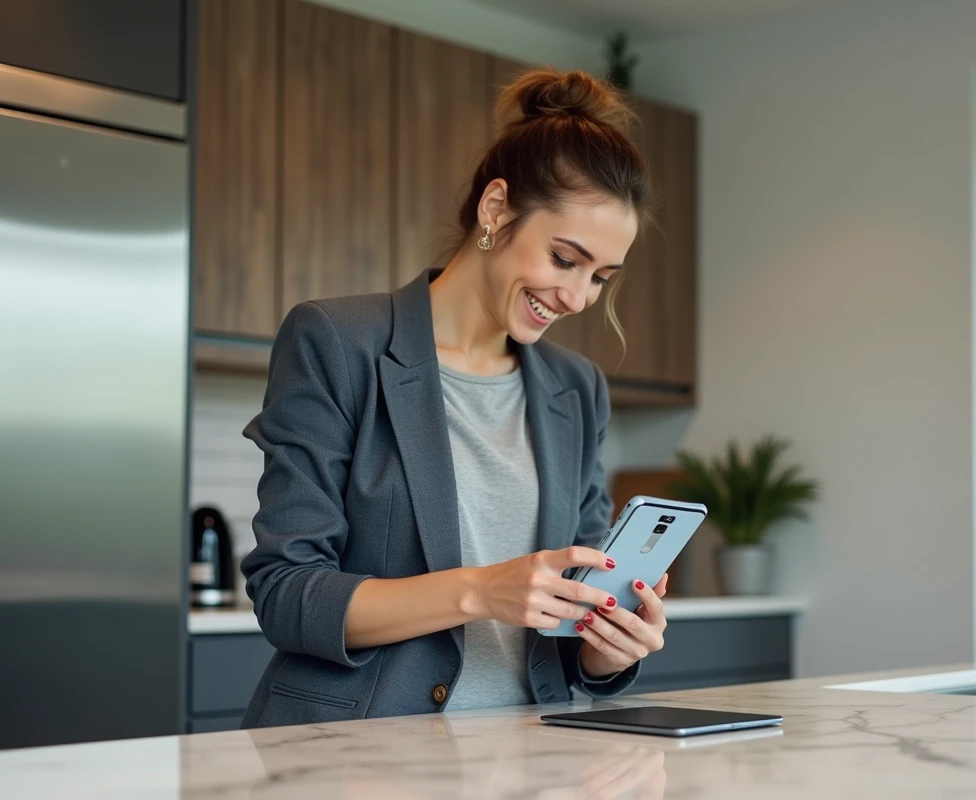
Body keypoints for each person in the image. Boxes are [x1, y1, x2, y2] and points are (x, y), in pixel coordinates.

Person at [239, 68, 666, 728]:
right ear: (496, 209)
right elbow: (288, 595)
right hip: (358, 755)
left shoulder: (576, 389)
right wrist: (479, 591)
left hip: (531, 757)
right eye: (564, 259)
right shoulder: (337, 341)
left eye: (600, 278)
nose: (580, 298)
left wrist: (608, 648)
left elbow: (566, 621)